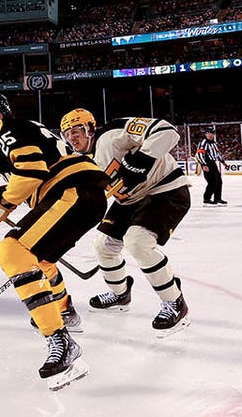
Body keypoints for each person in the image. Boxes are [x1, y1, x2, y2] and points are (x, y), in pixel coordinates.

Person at [0, 93, 109, 391]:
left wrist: (2, 200)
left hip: (71, 190)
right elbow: (34, 174)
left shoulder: (2, 130)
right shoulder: (25, 129)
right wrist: (2, 203)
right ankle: (65, 311)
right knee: (41, 261)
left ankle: (60, 342)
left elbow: (32, 172)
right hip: (82, 192)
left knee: (12, 250)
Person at [59, 109, 192, 337]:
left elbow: (167, 131)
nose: (72, 137)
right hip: (129, 200)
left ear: (90, 128)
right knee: (103, 245)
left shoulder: (113, 133)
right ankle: (120, 294)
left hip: (166, 189)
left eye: (77, 131)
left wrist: (142, 159)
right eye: (67, 134)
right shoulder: (80, 162)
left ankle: (175, 303)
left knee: (138, 242)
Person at [195, 126, 227, 205]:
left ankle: (217, 198)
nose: (210, 135)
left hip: (213, 164)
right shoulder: (203, 143)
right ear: (205, 134)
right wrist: (203, 164)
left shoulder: (214, 143)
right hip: (207, 164)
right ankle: (206, 198)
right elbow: (199, 154)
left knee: (219, 181)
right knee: (212, 182)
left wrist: (223, 162)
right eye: (208, 133)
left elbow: (217, 154)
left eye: (212, 133)